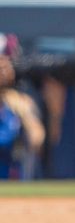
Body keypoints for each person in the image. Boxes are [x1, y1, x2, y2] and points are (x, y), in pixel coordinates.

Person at [0, 35, 46, 180]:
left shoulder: (19, 102)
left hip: (11, 180)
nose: (2, 70)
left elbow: (37, 137)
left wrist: (28, 120)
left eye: (5, 63)